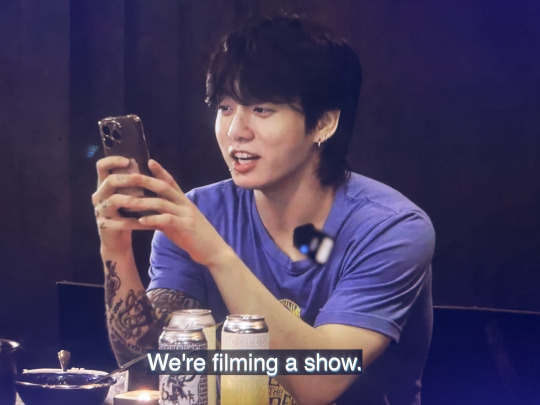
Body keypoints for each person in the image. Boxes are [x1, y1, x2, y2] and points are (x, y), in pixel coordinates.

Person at [92, 15, 435, 405]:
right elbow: (152, 365)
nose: (235, 130)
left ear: (324, 123)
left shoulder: (391, 229)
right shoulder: (200, 211)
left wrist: (216, 253)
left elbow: (320, 383)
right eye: (225, 107)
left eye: (262, 109)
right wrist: (116, 249)